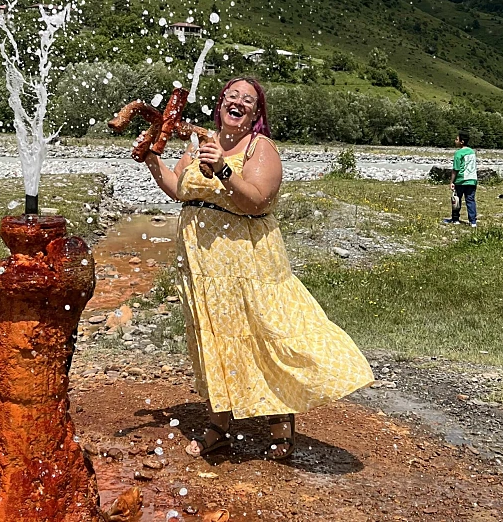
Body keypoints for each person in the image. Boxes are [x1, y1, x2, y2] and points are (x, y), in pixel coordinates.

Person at [143, 77, 374, 461]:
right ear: (220, 104)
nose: (238, 102)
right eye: (231, 96)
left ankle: (280, 423)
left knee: (261, 333)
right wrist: (152, 160)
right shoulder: (201, 142)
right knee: (215, 339)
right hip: (204, 267)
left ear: (256, 113)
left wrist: (223, 169)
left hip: (249, 262)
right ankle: (218, 426)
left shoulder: (259, 148)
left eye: (247, 100)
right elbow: (180, 189)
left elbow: (258, 200)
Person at [445, 129, 477, 227]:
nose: (455, 141)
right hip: (472, 180)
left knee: (456, 199)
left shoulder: (458, 153)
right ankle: (473, 222)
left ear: (461, 142)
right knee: (470, 200)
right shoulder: (472, 152)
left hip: (461, 180)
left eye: (456, 139)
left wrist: (451, 181)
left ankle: (455, 219)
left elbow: (456, 169)